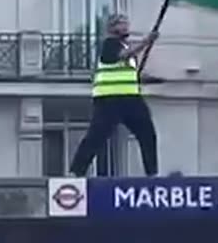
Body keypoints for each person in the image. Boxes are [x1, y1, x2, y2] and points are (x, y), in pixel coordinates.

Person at [68, 13, 160, 176]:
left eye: (126, 23)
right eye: (121, 24)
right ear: (111, 28)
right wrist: (147, 42)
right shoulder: (110, 44)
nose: (125, 27)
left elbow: (127, 72)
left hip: (130, 99)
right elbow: (123, 56)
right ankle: (76, 171)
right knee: (96, 137)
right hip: (109, 100)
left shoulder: (124, 48)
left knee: (147, 134)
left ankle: (152, 173)